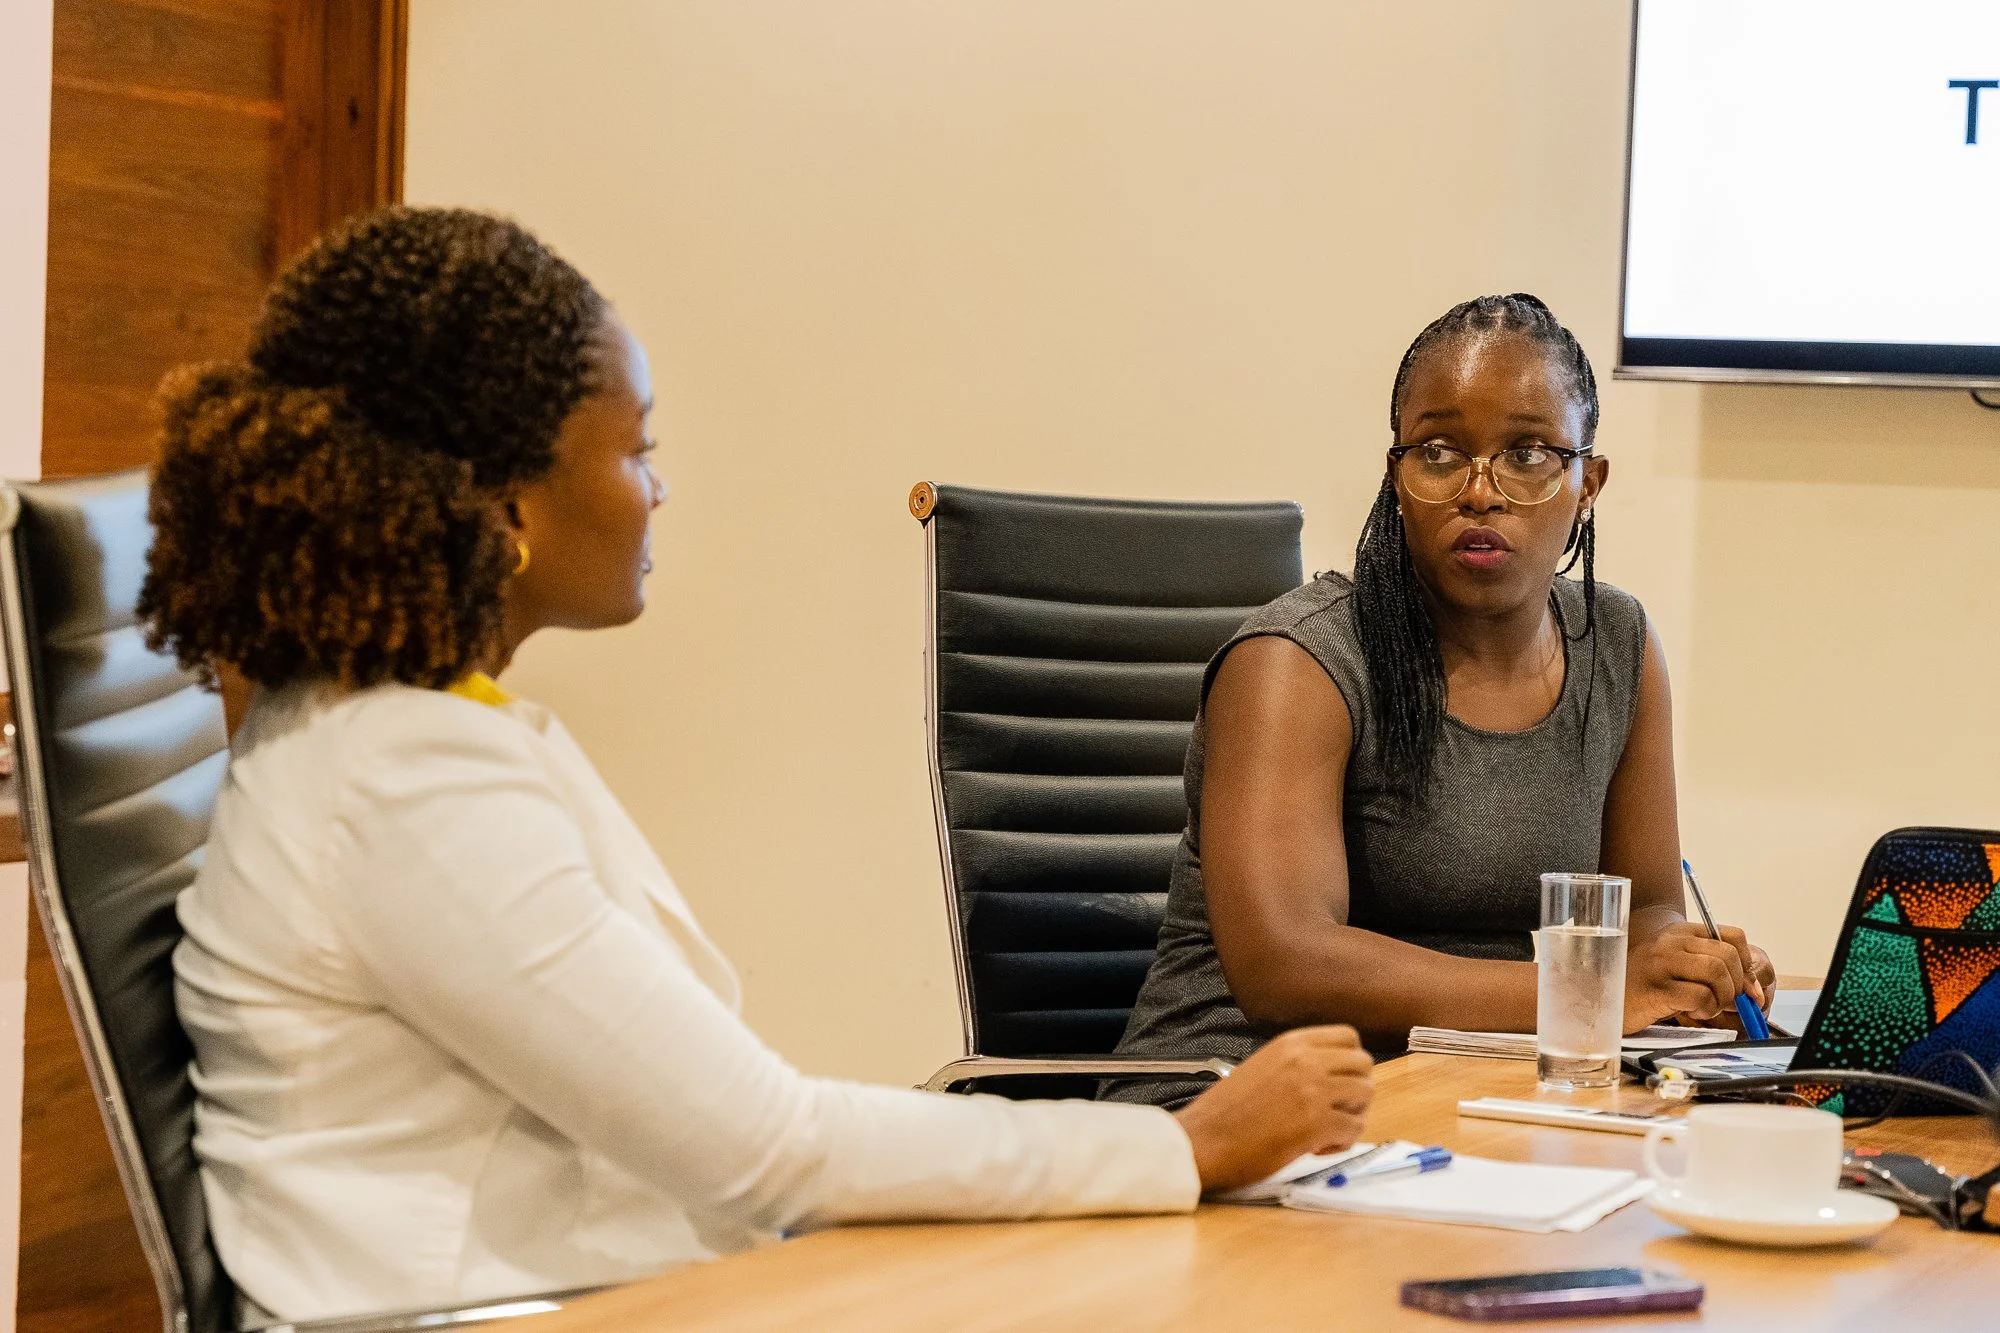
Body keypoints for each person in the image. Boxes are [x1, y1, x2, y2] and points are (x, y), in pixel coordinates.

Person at [144, 207, 1375, 1324]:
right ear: (506, 506)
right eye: (634, 451)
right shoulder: (402, 788)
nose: (658, 488)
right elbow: (767, 1148)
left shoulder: (405, 730)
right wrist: (1187, 1146)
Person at [1104, 294, 1775, 1109]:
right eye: (1439, 452)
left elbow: (1648, 912)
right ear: (1397, 477)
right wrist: (1590, 993)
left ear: (1587, 483)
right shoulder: (1296, 659)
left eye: (1528, 452)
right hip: (1234, 1101)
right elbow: (1285, 965)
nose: (1480, 490)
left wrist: (1688, 970)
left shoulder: (1619, 644)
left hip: (1465, 1096)